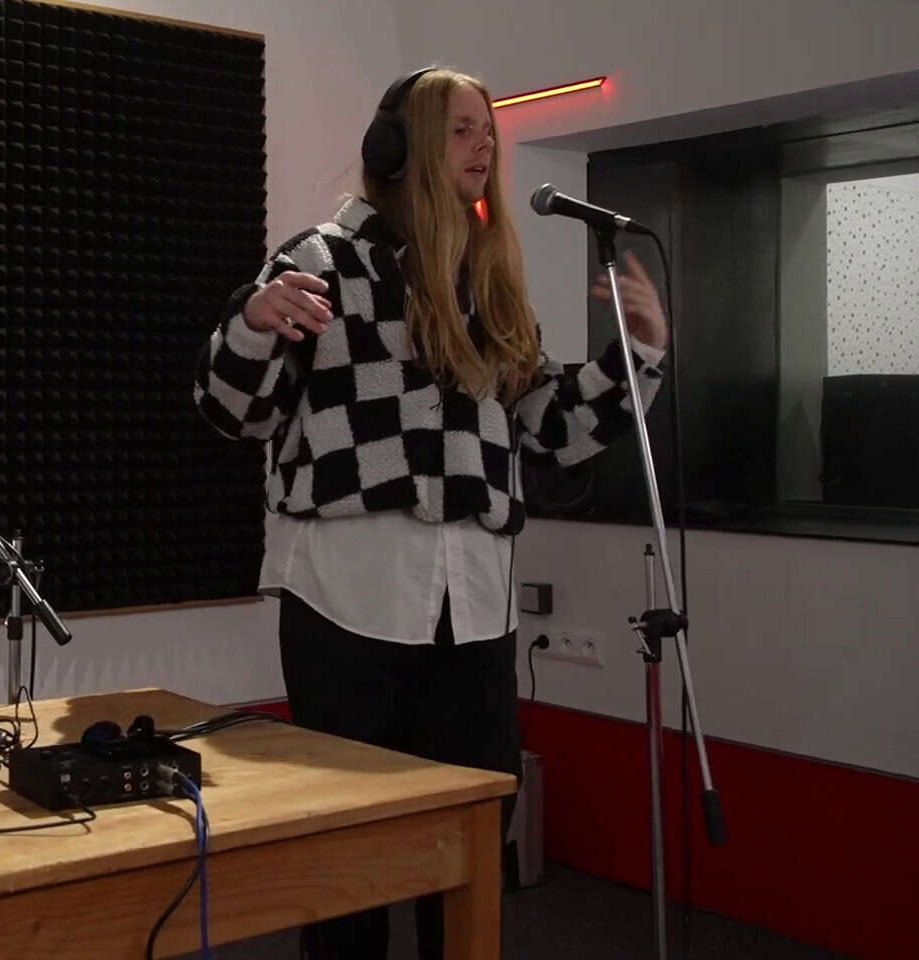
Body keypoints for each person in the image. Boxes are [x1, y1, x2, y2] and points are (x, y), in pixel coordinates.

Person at [193, 66, 668, 959]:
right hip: (347, 601)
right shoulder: (319, 262)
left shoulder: (488, 282)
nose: (483, 144)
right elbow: (232, 412)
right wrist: (252, 323)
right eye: (460, 128)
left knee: (469, 847)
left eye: (487, 129)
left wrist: (634, 360)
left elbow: (548, 426)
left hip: (476, 609)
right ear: (398, 147)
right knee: (350, 854)